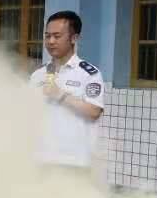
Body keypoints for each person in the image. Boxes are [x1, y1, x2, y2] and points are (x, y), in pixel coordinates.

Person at [30, 10, 106, 170]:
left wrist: (61, 95)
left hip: (75, 162)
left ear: (74, 38)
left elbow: (94, 111)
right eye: (47, 36)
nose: (50, 41)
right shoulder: (38, 75)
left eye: (57, 36)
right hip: (42, 159)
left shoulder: (88, 73)